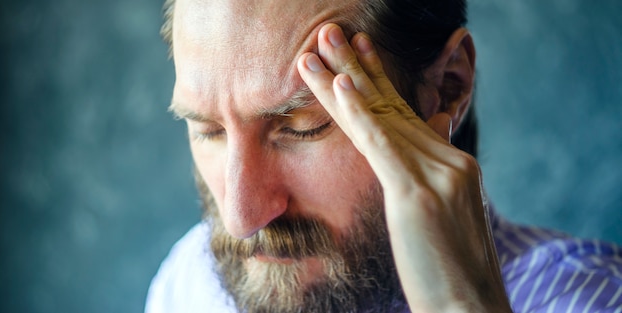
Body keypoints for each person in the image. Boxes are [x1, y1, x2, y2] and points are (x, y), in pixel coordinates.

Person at [145, 0, 622, 312]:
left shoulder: (590, 299)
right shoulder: (188, 284)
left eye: (302, 127)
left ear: (448, 87)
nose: (241, 218)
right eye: (208, 130)